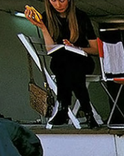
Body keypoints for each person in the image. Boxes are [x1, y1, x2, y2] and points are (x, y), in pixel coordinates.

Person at [25, 0, 99, 129]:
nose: (58, 5)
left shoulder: (81, 16)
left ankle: (63, 107)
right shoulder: (47, 17)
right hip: (62, 64)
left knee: (69, 64)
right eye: (53, 0)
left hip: (82, 61)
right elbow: (50, 50)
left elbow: (95, 49)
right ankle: (88, 114)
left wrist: (76, 48)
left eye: (62, 0)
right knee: (65, 63)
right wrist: (42, 27)